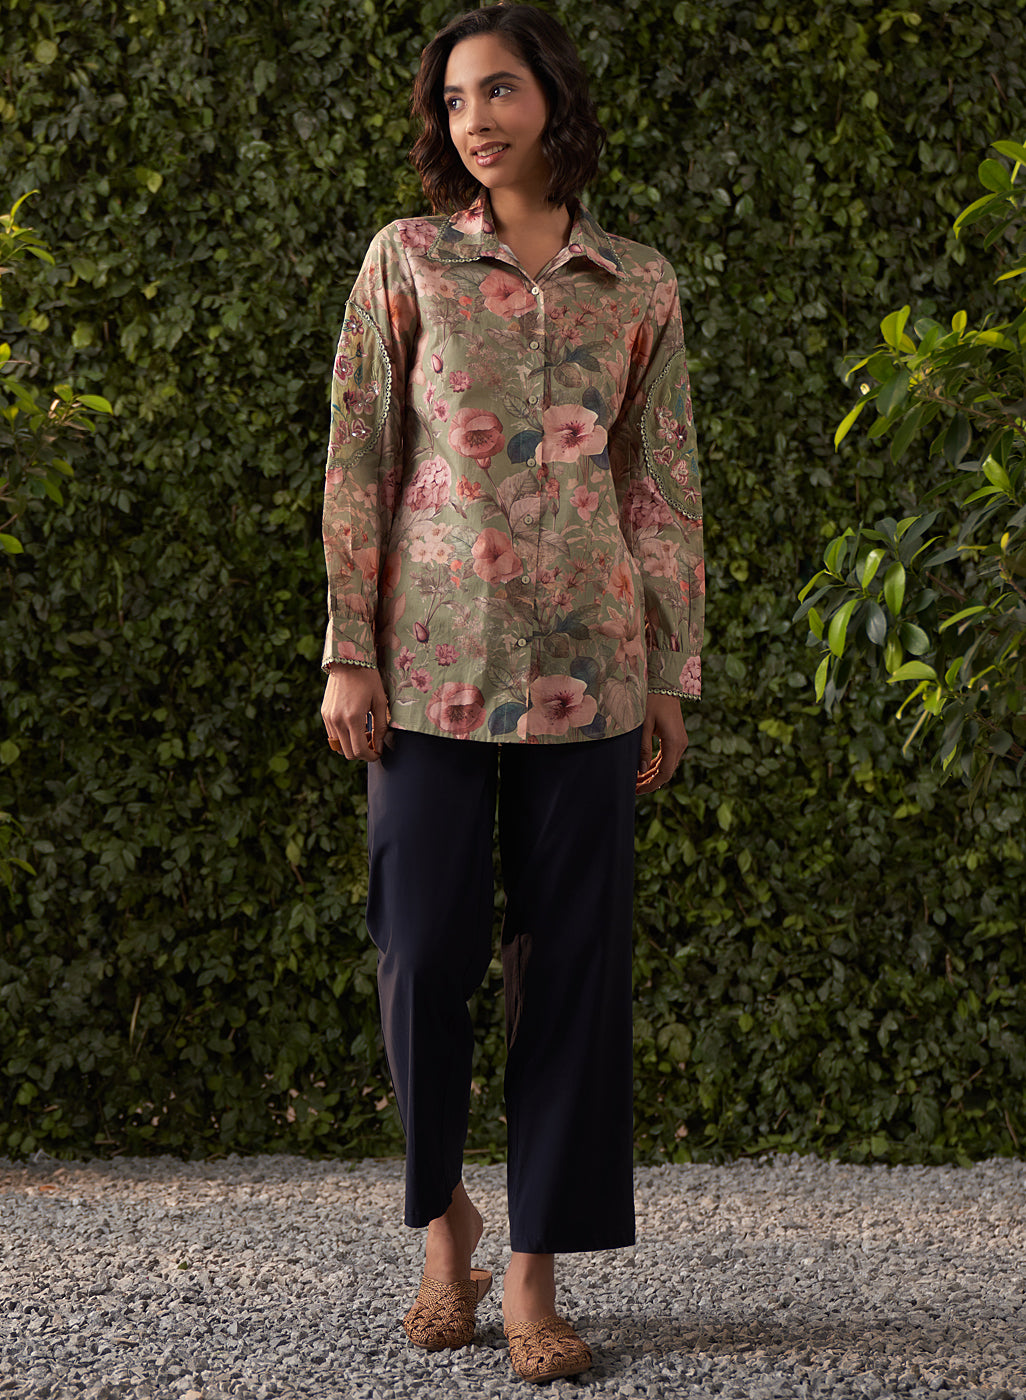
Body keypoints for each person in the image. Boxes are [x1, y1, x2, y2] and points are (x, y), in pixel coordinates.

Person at [319, 2, 704, 1383]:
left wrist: (671, 670)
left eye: (496, 90)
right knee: (422, 948)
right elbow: (360, 452)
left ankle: (534, 1270)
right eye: (453, 99)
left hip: (594, 668)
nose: (473, 118)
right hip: (427, 661)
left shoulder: (638, 281)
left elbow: (659, 483)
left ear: (551, 98)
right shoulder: (408, 258)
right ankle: (447, 1229)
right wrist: (346, 647)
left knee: (574, 966)